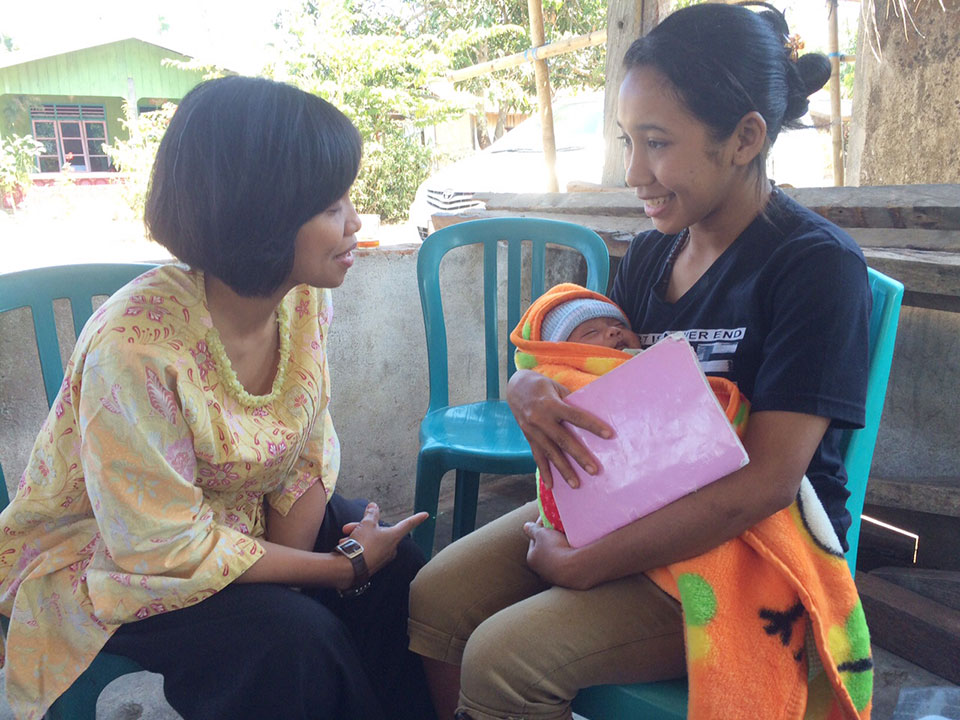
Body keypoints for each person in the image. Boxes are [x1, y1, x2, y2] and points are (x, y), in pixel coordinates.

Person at [408, 3, 872, 719]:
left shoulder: (814, 267)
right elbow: (585, 364)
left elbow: (767, 483)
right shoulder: (655, 251)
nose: (633, 172)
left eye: (656, 143)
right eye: (628, 140)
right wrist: (526, 386)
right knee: (436, 596)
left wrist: (589, 562)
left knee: (505, 657)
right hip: (637, 499)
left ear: (745, 138)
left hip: (754, 549)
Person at [0, 76, 435, 720]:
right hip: (116, 555)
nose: (355, 222)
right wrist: (338, 570)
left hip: (233, 517)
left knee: (399, 575)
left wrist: (322, 573)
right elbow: (159, 546)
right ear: (261, 216)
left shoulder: (304, 299)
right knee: (293, 646)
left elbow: (305, 449)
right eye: (331, 206)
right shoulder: (136, 348)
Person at [510, 282, 748, 535]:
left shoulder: (649, 364)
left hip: (686, 497)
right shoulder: (562, 380)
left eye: (619, 325)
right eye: (591, 332)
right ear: (564, 352)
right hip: (590, 493)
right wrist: (519, 383)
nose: (613, 331)